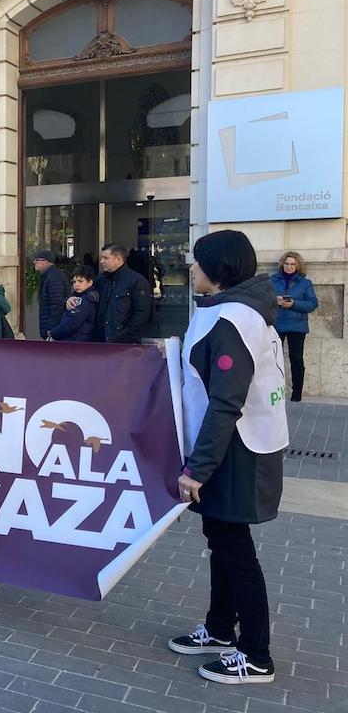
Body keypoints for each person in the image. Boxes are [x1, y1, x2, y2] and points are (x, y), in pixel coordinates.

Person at [169, 229, 287, 685]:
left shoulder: (233, 320)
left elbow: (225, 403)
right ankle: (220, 628)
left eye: (197, 263)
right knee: (221, 542)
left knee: (236, 550)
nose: (191, 269)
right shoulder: (228, 309)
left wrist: (196, 470)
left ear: (217, 271)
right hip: (230, 444)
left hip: (236, 448)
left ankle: (256, 654)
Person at [270, 251, 318, 402]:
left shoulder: (305, 283)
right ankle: (273, 390)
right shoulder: (273, 280)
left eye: (292, 264)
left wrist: (293, 304)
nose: (289, 267)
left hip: (297, 326)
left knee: (296, 359)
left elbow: (313, 304)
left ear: (297, 266)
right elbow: (263, 298)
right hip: (277, 324)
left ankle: (297, 393)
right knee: (273, 359)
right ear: (282, 264)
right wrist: (274, 301)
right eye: (286, 264)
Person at [92, 243, 151, 344]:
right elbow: (87, 298)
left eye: (105, 258)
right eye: (101, 258)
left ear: (118, 259)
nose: (101, 261)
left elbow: (141, 314)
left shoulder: (137, 281)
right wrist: (70, 299)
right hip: (100, 342)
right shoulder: (100, 280)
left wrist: (127, 336)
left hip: (125, 344)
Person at [46, 265, 98, 342]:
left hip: (77, 344)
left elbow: (71, 323)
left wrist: (53, 333)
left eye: (80, 281)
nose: (76, 284)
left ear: (90, 282)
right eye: (74, 282)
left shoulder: (86, 300)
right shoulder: (79, 297)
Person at [32, 250, 67, 340]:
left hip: (54, 330)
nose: (34, 262)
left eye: (37, 260)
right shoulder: (49, 276)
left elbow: (57, 304)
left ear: (45, 262)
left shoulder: (54, 278)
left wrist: (51, 329)